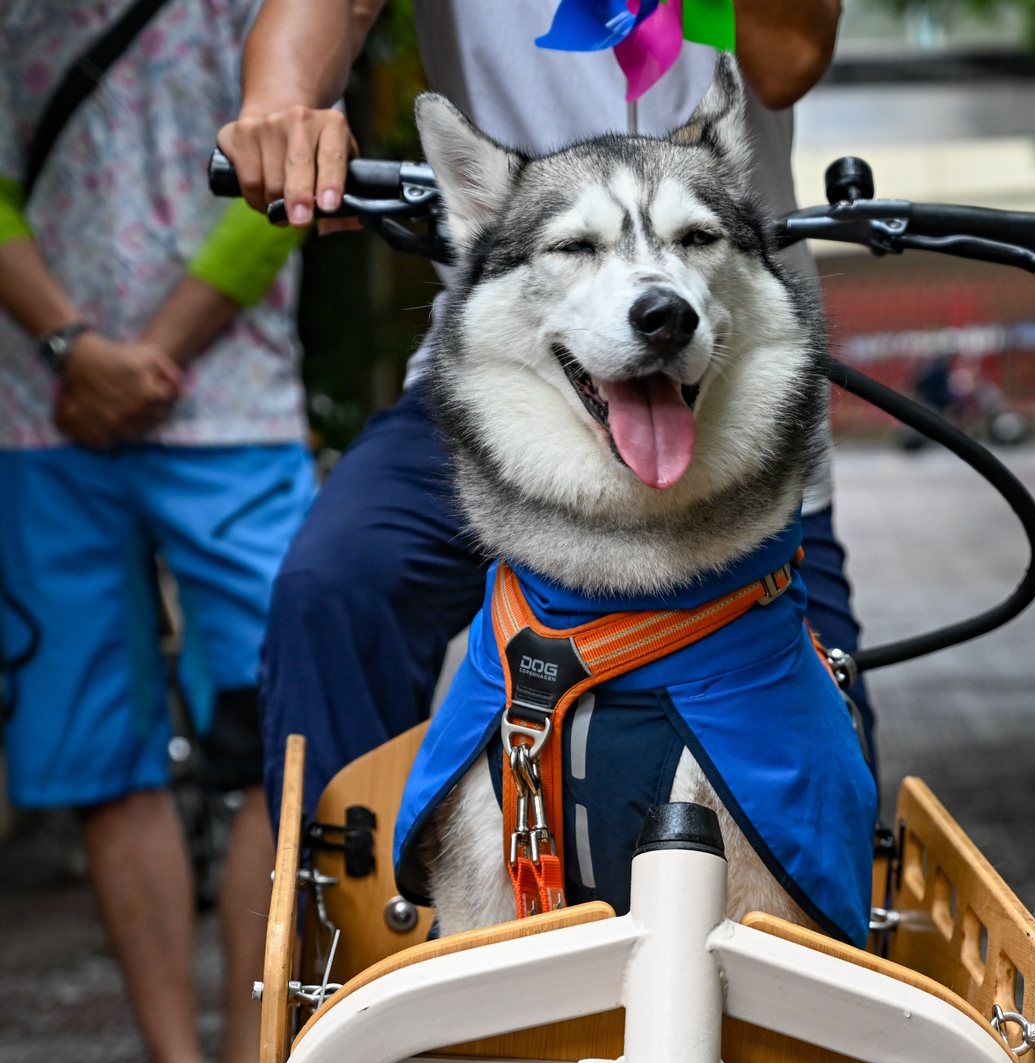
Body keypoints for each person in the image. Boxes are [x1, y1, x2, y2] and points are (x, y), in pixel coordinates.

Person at [218, 0, 877, 827]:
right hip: (516, 372)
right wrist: (282, 101)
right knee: (337, 585)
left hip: (729, 377)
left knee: (839, 769)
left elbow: (786, 57)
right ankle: (352, 929)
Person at [0, 1, 316, 1063]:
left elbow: (288, 179)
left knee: (266, 736)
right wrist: (72, 348)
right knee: (92, 748)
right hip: (42, 421)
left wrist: (143, 358)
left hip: (227, 412)